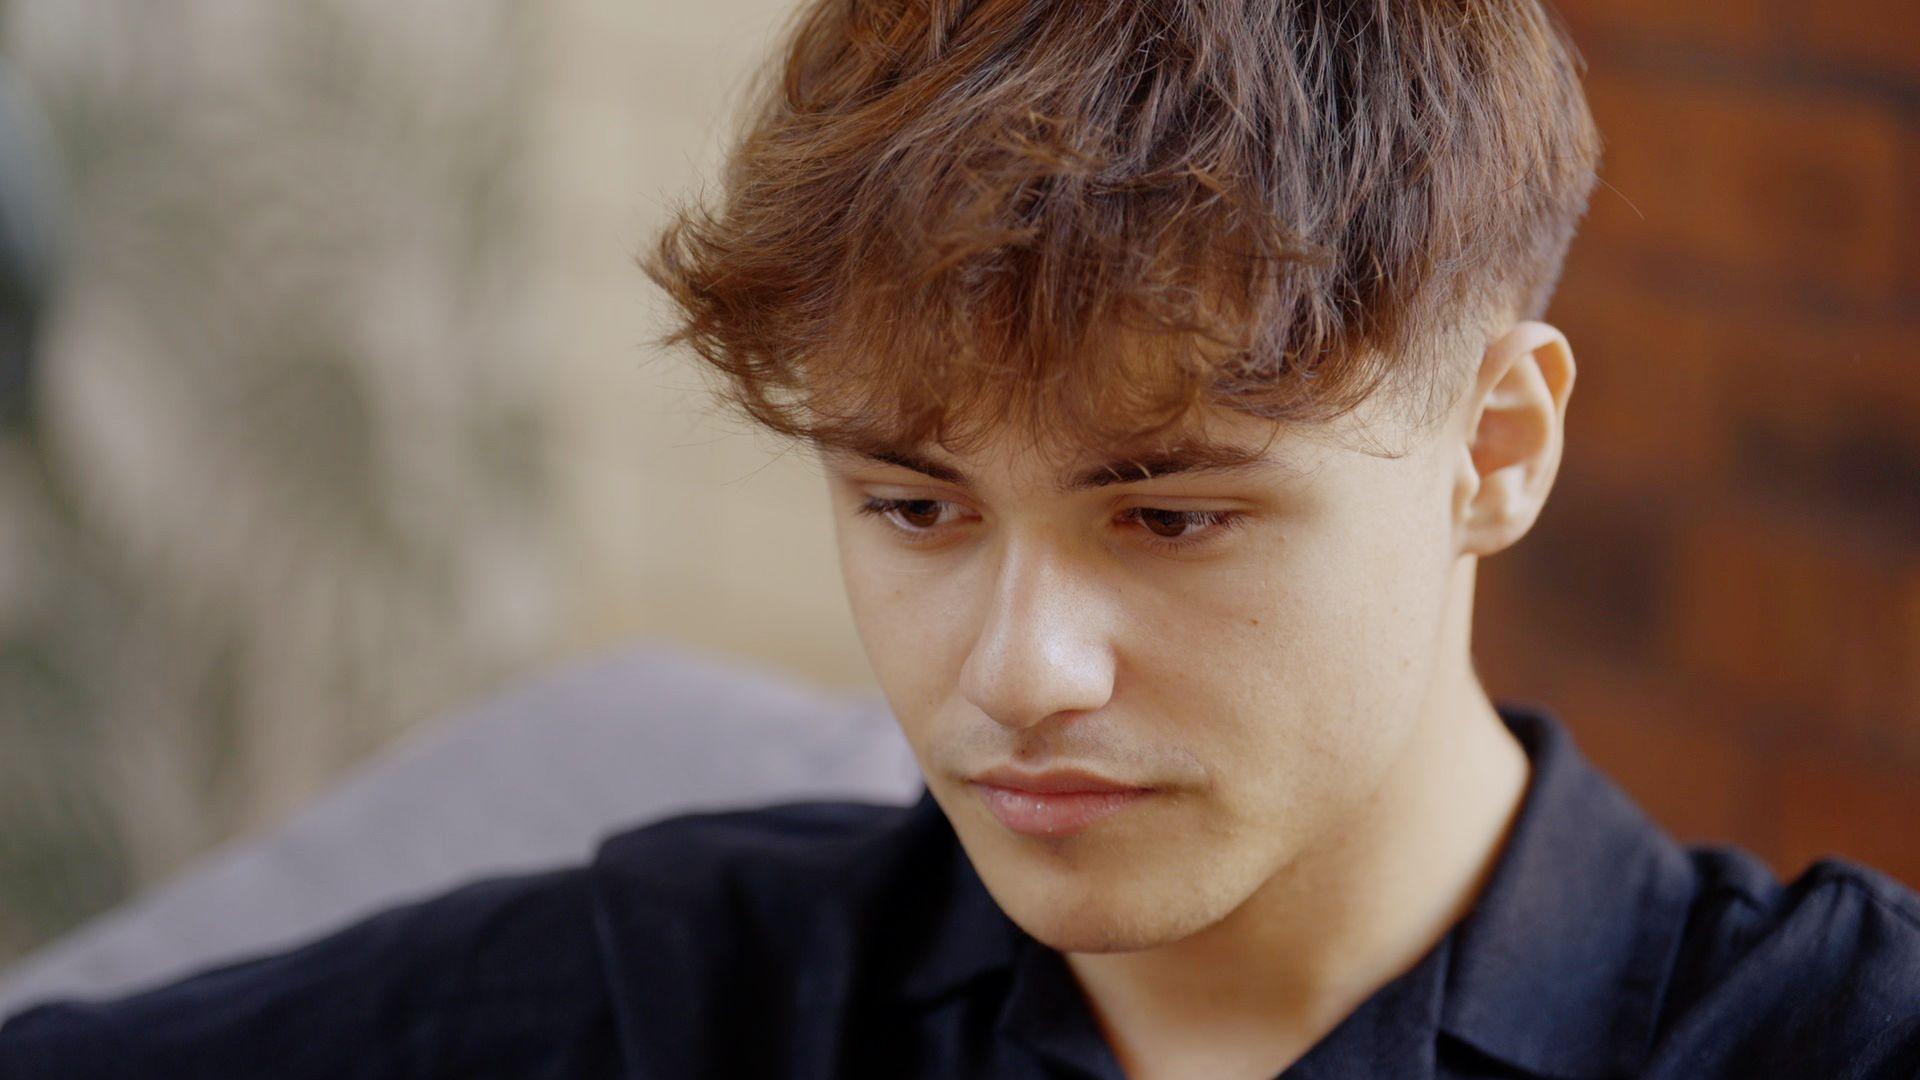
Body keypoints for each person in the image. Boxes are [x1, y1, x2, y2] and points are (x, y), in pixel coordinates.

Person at [5, 1, 1919, 1077]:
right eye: (912, 506)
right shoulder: (708, 995)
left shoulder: (1829, 1045)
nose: (1015, 673)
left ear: (1495, 446)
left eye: (1170, 513)